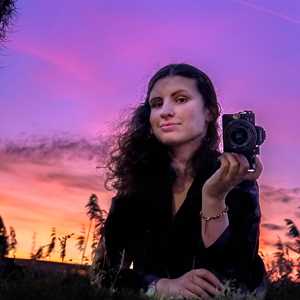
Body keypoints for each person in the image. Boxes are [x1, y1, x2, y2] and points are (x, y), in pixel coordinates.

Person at [90, 63, 267, 299]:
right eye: (156, 104)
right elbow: (103, 273)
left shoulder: (233, 175)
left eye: (181, 99)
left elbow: (236, 280)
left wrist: (213, 198)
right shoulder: (136, 184)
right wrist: (159, 286)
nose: (165, 111)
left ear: (209, 112)